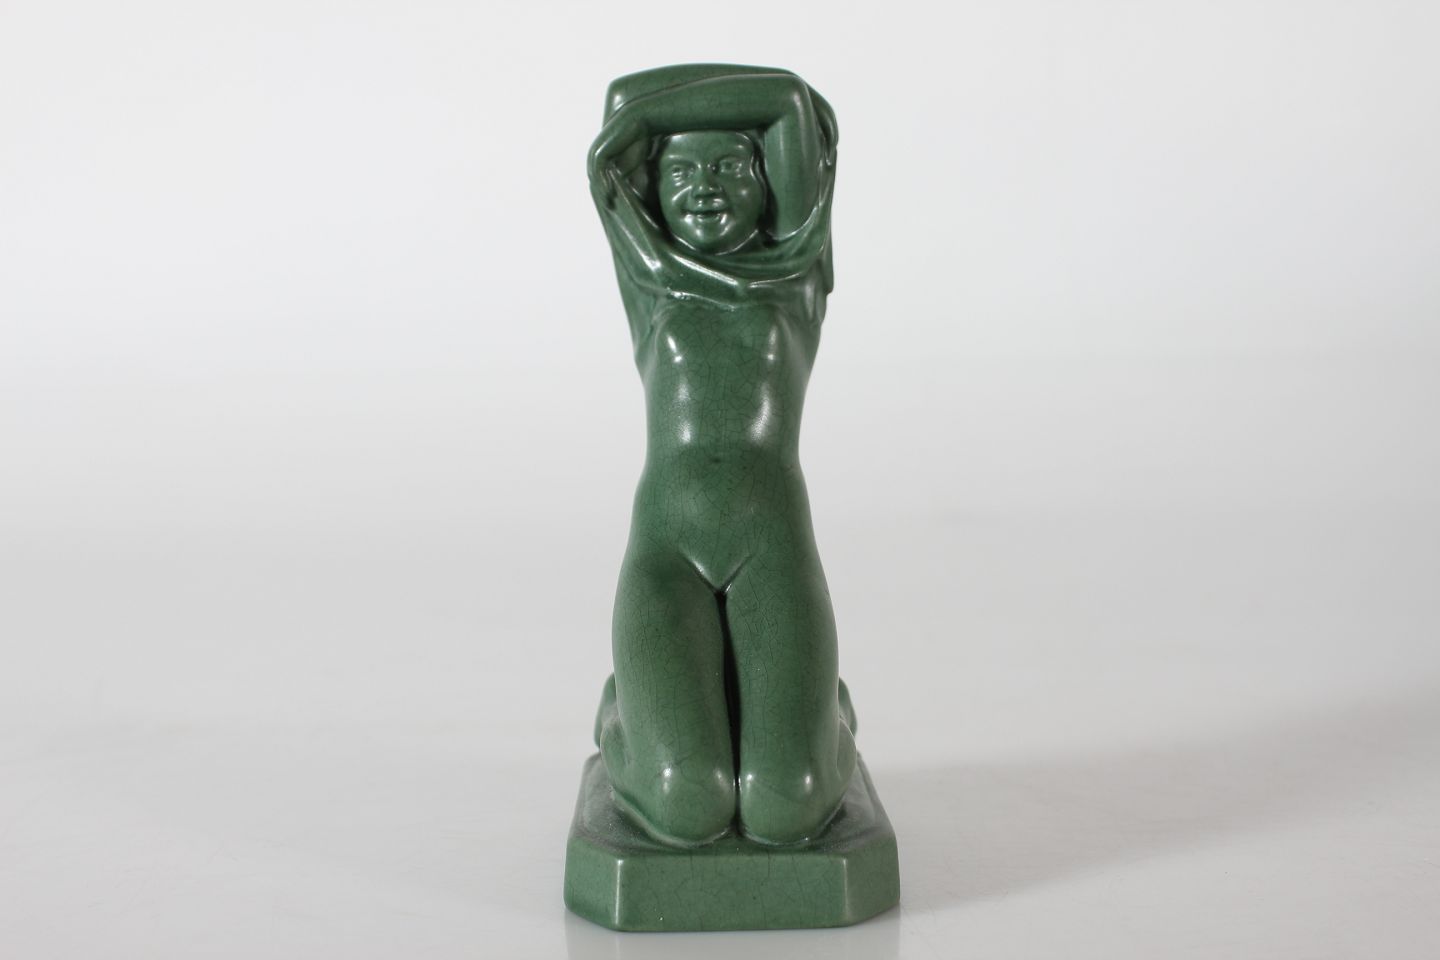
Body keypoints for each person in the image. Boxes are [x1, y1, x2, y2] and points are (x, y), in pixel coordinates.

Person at [589, 65, 855, 846]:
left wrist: (647, 125)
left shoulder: (795, 270)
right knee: (687, 803)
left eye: (730, 166)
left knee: (785, 806)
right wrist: (631, 131)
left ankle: (829, 714)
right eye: (678, 172)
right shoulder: (652, 277)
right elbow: (620, 102)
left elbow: (785, 101)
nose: (702, 187)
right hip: (667, 548)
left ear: (769, 181)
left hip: (770, 543)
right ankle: (620, 715)